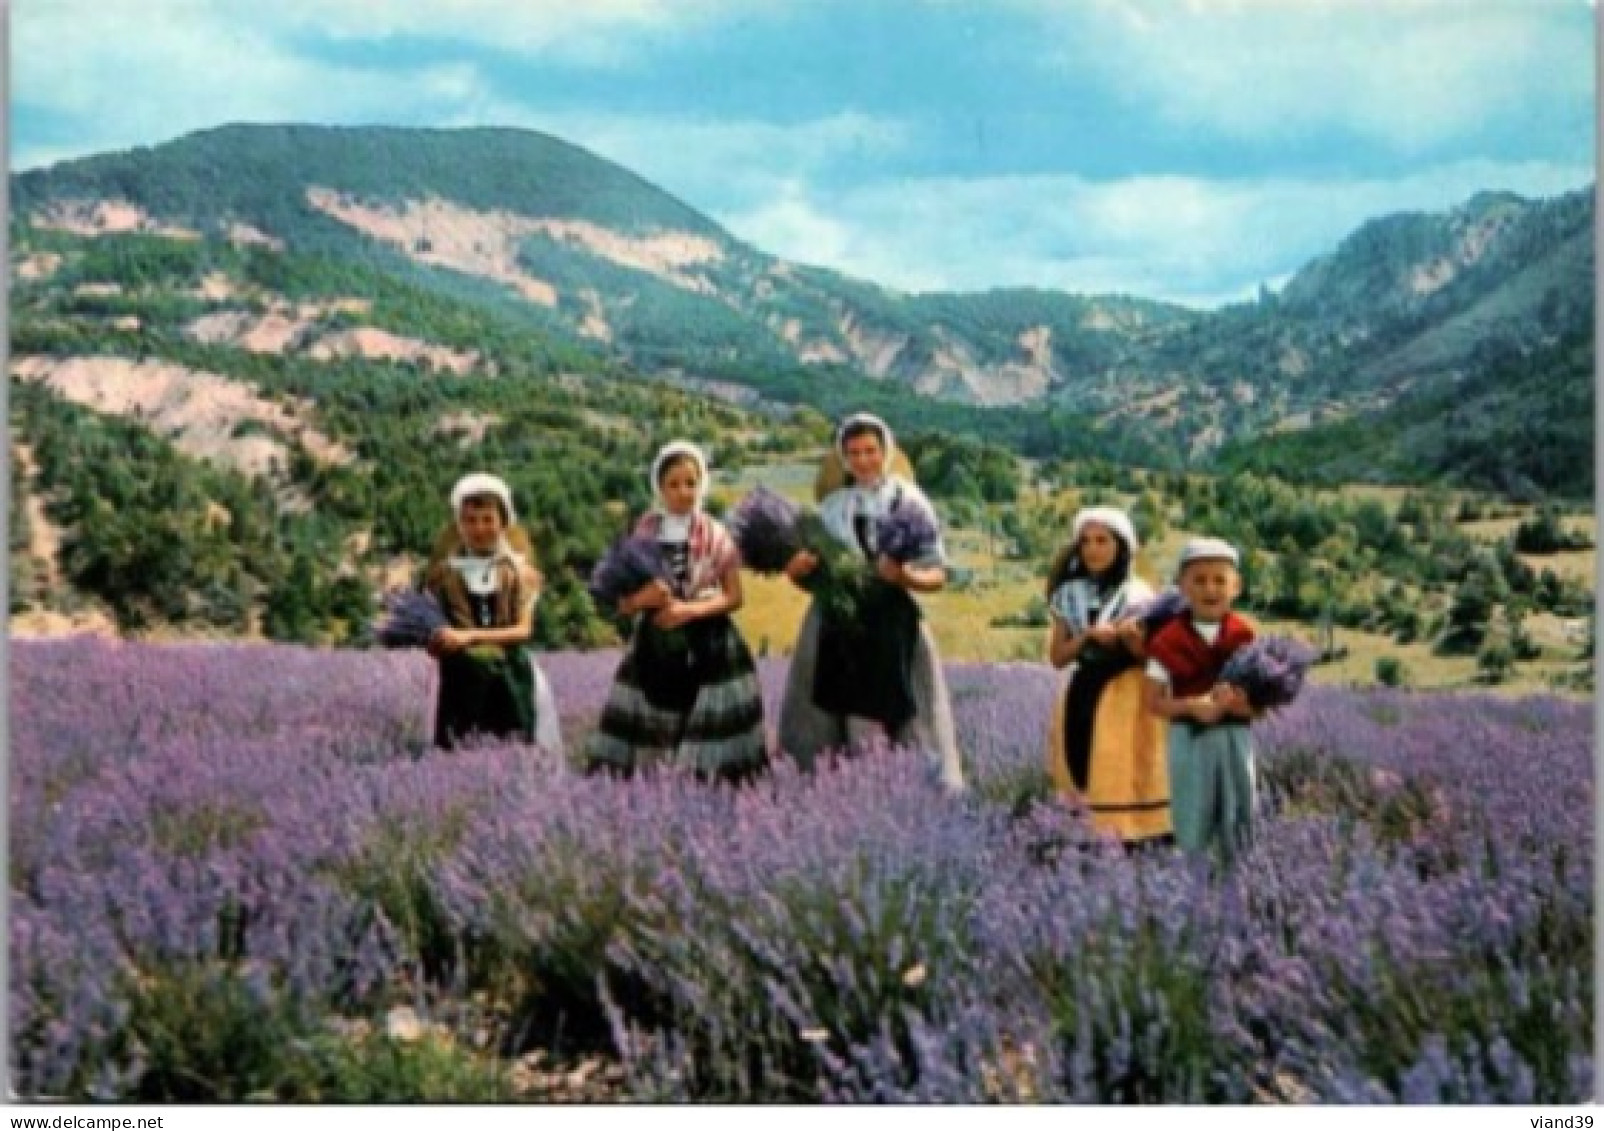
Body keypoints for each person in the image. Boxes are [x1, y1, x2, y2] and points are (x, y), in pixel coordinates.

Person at [776, 413, 965, 792]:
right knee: (829, 717)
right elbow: (812, 580)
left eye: (871, 451)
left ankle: (907, 798)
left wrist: (905, 576)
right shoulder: (833, 509)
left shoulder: (909, 503)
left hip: (892, 625)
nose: (863, 460)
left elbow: (938, 574)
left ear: (886, 452)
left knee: (904, 715)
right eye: (854, 453)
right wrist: (797, 571)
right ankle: (836, 798)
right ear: (844, 459)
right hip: (835, 626)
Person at [586, 441, 767, 782]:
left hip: (711, 643)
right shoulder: (646, 531)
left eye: (691, 483)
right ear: (660, 488)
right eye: (674, 484)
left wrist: (689, 610)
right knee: (656, 727)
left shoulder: (715, 532)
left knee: (707, 739)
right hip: (655, 643)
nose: (684, 492)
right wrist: (644, 599)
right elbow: (622, 601)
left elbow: (734, 597)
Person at [1045, 506, 1171, 846]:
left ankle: (1137, 837)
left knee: (1127, 768)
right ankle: (1087, 839)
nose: (1093, 549)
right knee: (1083, 765)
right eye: (1086, 541)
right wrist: (1086, 636)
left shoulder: (1141, 595)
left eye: (1102, 541)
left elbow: (1157, 659)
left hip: (1129, 695)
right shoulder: (1068, 595)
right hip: (1084, 691)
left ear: (1121, 546)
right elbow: (1057, 658)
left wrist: (1132, 641)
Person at [424, 473, 563, 755]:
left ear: (503, 523)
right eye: (470, 520)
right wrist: (439, 642)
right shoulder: (447, 574)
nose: (479, 528)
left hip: (511, 677)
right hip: (463, 681)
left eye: (488, 519)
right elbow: (440, 626)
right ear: (459, 524)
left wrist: (468, 636)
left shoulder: (517, 572)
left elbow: (523, 630)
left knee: (515, 746)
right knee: (459, 749)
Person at [1142, 537, 1258, 863]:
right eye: (1199, 580)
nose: (1210, 589)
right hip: (1189, 740)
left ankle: (1240, 890)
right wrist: (1192, 706)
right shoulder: (1168, 640)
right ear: (1182, 586)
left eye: (1220, 580)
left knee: (1240, 815)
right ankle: (1195, 891)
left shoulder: (1244, 636)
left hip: (1236, 739)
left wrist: (1242, 706)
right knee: (1193, 815)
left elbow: (1262, 704)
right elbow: (1153, 701)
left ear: (1236, 586)